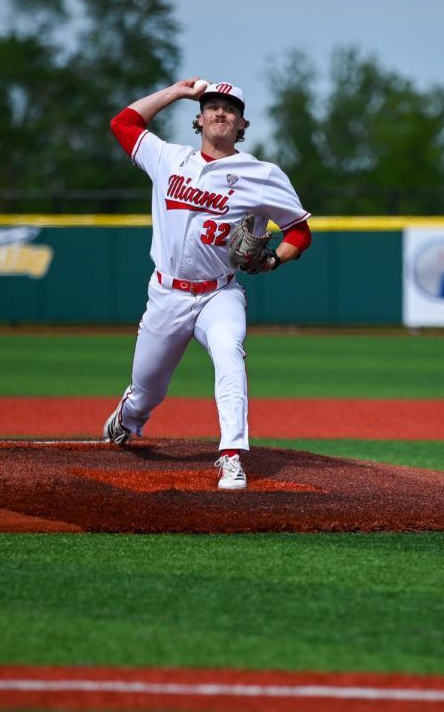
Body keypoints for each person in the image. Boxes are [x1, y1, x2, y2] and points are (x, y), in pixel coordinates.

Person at [102, 78, 312, 490]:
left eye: (230, 109)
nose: (221, 113)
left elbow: (300, 231)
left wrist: (273, 259)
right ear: (199, 119)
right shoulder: (168, 158)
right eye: (213, 106)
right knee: (147, 391)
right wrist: (176, 92)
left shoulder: (261, 175)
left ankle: (232, 455)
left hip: (219, 292)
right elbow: (122, 123)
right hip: (166, 294)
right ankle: (127, 420)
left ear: (242, 124)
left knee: (229, 352)